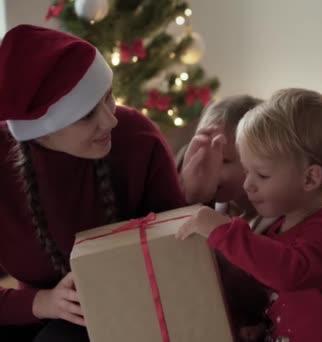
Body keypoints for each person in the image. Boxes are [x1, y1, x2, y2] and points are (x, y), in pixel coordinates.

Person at [0, 25, 186, 341]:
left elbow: (177, 255)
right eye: (87, 114)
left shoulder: (137, 138)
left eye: (109, 97)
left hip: (132, 299)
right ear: (40, 132)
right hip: (35, 310)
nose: (111, 119)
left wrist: (198, 194)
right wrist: (43, 302)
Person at [177, 88, 322, 341]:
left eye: (262, 175)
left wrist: (223, 231)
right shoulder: (280, 226)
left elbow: (286, 272)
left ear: (310, 178)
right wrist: (264, 326)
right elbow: (281, 293)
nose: (248, 185)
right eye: (247, 172)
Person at [179, 95, 276, 341]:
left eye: (223, 160)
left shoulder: (274, 220)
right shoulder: (220, 206)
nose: (208, 167)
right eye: (201, 153)